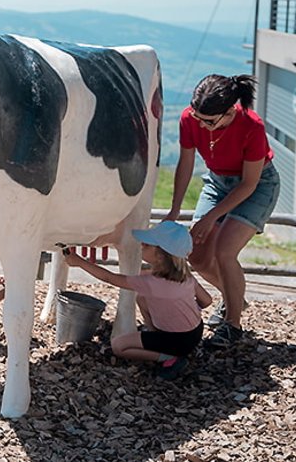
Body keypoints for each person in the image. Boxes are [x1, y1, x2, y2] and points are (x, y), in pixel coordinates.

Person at [164, 74, 280, 349]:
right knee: (199, 256)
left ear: (230, 112)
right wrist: (175, 209)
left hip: (256, 186)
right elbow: (186, 164)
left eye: (210, 121)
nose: (202, 125)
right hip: (217, 183)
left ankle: (233, 324)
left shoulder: (252, 126)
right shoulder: (190, 118)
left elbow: (249, 184)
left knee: (224, 252)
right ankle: (234, 297)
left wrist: (210, 217)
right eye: (198, 117)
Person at [62, 222, 212, 380]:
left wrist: (79, 262)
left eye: (147, 245)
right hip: (195, 333)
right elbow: (207, 301)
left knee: (118, 346)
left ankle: (168, 358)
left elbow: (109, 278)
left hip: (174, 341)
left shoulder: (149, 283)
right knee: (142, 297)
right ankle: (157, 336)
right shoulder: (186, 275)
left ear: (160, 255)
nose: (141, 245)